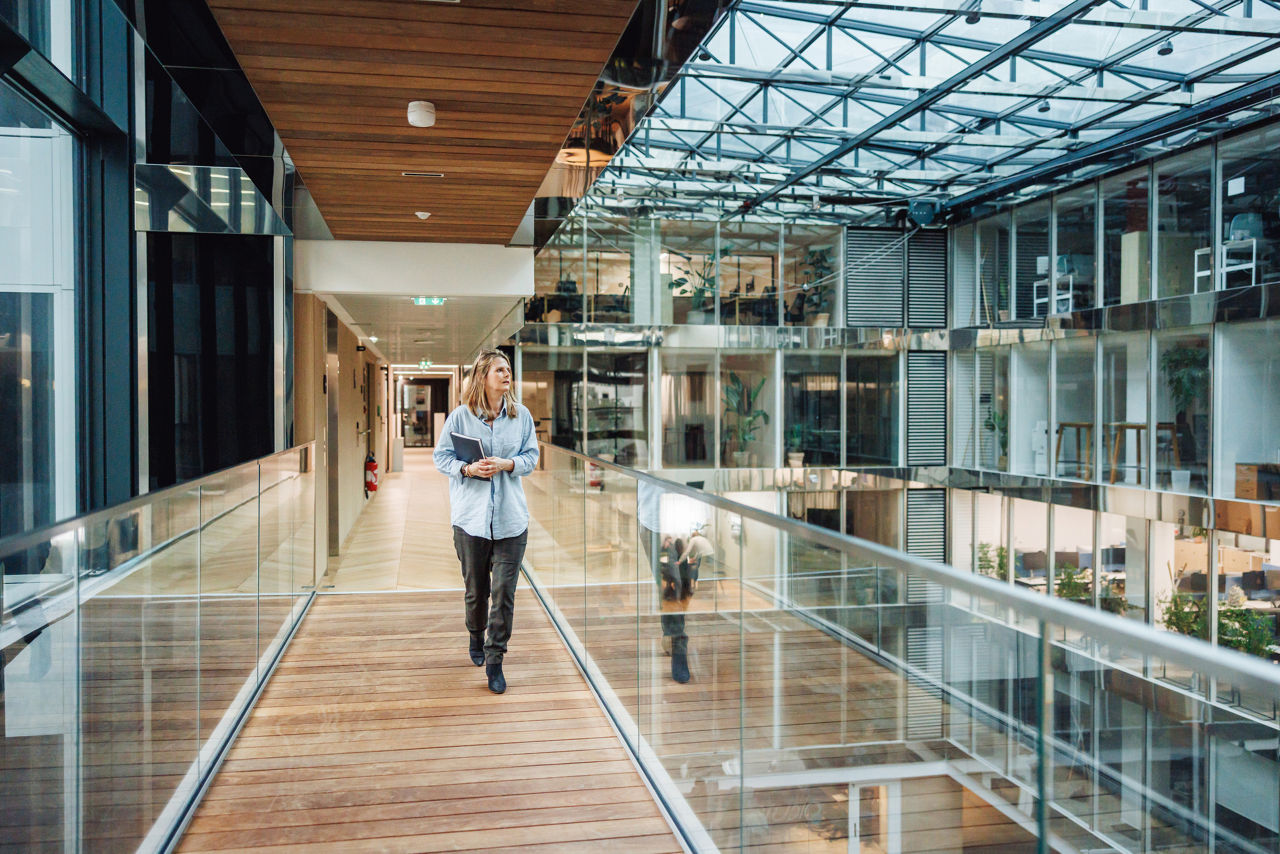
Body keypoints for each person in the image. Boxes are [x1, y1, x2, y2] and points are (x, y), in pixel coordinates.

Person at [433, 350, 539, 694]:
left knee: (503, 593)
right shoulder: (460, 418)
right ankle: (475, 635)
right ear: (483, 376)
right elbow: (441, 457)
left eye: (508, 369)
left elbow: (531, 457)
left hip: (511, 522)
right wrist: (467, 469)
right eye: (500, 369)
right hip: (470, 522)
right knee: (476, 592)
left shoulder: (521, 416)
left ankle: (495, 659)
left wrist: (508, 464)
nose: (507, 374)